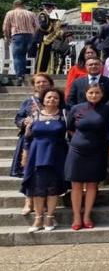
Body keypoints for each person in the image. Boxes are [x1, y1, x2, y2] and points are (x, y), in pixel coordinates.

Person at [21, 88, 68, 232]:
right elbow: (27, 137)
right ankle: (38, 218)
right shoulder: (34, 115)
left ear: (59, 101)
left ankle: (49, 217)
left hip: (57, 155)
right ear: (43, 99)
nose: (52, 99)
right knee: (37, 187)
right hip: (36, 154)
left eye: (55, 98)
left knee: (53, 187)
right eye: (49, 97)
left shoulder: (64, 115)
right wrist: (25, 155)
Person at [65, 84, 109, 230]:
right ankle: (76, 217)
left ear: (102, 94)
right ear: (86, 94)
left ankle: (87, 216)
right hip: (77, 151)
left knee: (92, 185)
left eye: (97, 93)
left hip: (97, 151)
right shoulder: (76, 108)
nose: (94, 95)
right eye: (91, 92)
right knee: (76, 184)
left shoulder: (107, 109)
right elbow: (70, 128)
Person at [11, 73, 54, 219]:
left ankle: (44, 201)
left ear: (50, 84)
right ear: (34, 86)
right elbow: (18, 118)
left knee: (45, 172)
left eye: (44, 82)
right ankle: (28, 201)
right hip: (30, 141)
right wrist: (24, 122)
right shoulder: (28, 102)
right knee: (28, 172)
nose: (41, 84)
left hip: (48, 142)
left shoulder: (55, 98)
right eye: (38, 82)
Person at [3, 0, 38, 81]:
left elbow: (5, 27)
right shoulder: (31, 13)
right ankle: (23, 74)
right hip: (29, 36)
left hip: (17, 35)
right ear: (23, 5)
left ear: (14, 5)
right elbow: (37, 26)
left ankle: (19, 76)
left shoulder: (10, 13)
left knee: (18, 56)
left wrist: (7, 37)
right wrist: (33, 34)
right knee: (24, 55)